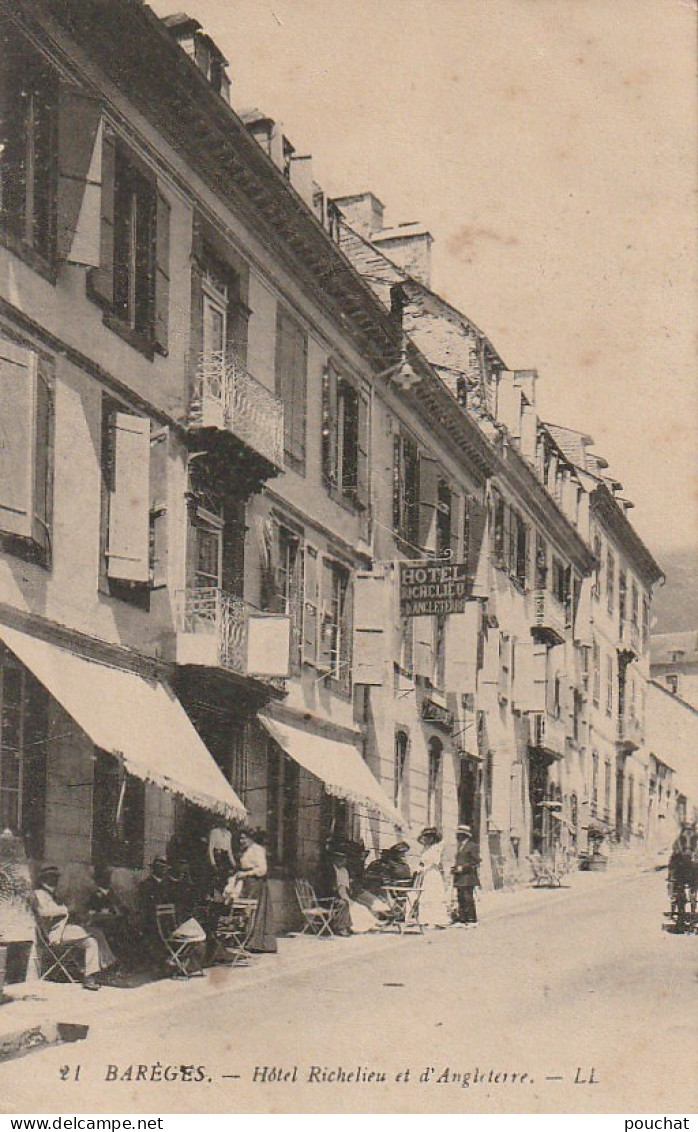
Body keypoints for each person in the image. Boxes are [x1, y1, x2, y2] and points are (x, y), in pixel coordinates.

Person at [33, 865, 115, 990]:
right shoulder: (39, 894)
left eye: (56, 878)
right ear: (44, 879)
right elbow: (44, 912)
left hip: (62, 930)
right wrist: (66, 909)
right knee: (94, 932)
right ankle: (108, 966)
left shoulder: (52, 894)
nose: (55, 880)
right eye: (52, 877)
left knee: (92, 941)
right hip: (53, 933)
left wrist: (70, 912)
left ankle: (89, 976)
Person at [230, 828, 277, 953]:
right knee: (246, 912)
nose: (241, 840)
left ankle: (258, 943)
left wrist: (246, 874)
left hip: (256, 883)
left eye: (244, 838)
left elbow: (262, 870)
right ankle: (248, 941)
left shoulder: (258, 850)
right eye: (240, 838)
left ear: (251, 838)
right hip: (247, 884)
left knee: (257, 912)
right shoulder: (245, 850)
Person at [86, 864, 129, 960]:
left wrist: (123, 910)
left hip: (116, 923)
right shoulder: (95, 896)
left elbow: (122, 907)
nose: (108, 880)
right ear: (98, 880)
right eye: (104, 877)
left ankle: (125, 961)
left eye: (108, 877)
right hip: (103, 924)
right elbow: (92, 913)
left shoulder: (113, 893)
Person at [416, 827, 450, 928]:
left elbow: (435, 862)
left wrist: (424, 868)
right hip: (425, 875)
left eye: (429, 837)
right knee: (425, 896)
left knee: (433, 896)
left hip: (432, 874)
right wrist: (419, 867)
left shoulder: (436, 848)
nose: (426, 839)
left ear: (433, 838)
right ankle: (426, 919)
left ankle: (435, 920)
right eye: (425, 837)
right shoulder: (425, 848)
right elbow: (422, 861)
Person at [452, 825, 481, 926]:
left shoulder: (472, 846)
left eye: (460, 834)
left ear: (465, 835)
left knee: (468, 898)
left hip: (468, 877)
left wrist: (463, 868)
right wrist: (454, 868)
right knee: (460, 897)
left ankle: (472, 919)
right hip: (460, 877)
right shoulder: (460, 847)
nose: (458, 836)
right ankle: (462, 919)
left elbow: (476, 861)